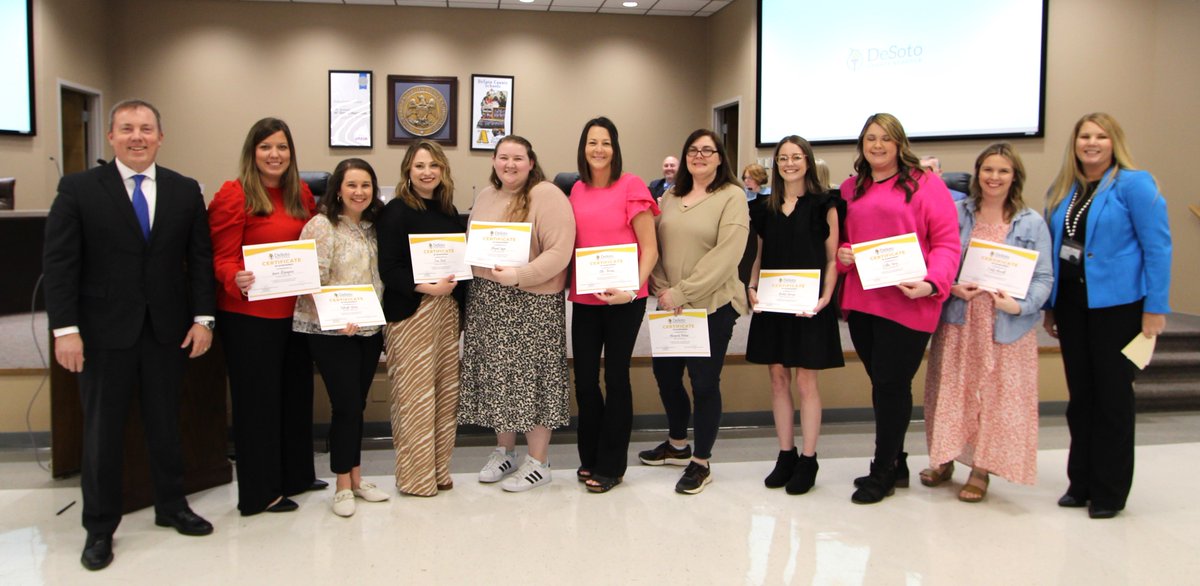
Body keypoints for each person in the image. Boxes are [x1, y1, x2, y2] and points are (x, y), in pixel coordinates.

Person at [43, 99, 216, 571]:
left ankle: (171, 505)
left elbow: (200, 260)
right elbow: (60, 266)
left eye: (146, 129)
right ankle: (99, 529)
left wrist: (205, 318)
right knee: (102, 434)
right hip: (101, 335)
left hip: (166, 331)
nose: (137, 137)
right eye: (127, 129)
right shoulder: (78, 189)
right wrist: (66, 330)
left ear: (161, 136)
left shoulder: (184, 191)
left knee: (166, 423)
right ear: (112, 137)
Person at [1043, 113, 1171, 519]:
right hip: (1072, 304)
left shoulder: (1135, 184)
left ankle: (1110, 491)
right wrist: (1050, 306)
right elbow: (1055, 250)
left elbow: (1159, 248)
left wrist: (1155, 309)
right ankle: (1080, 482)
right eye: (1085, 136)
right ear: (1075, 143)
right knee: (1081, 398)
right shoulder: (1064, 189)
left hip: (1119, 307)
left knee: (1113, 399)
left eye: (1101, 136)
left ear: (1114, 142)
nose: (1092, 143)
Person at [835, 113, 960, 504]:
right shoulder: (851, 188)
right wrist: (842, 256)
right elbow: (842, 244)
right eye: (870, 138)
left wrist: (932, 283)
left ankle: (883, 470)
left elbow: (947, 243)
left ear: (899, 143)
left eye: (885, 139)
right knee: (883, 386)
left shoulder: (927, 184)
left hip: (909, 302)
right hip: (863, 302)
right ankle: (897, 460)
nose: (877, 145)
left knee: (891, 385)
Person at [922, 143, 1053, 503]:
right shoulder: (957, 213)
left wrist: (1020, 306)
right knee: (949, 393)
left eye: (1003, 171)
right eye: (988, 170)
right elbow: (938, 258)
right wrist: (950, 288)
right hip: (959, 321)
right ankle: (944, 458)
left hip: (1005, 326)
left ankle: (981, 469)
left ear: (1015, 177)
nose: (994, 177)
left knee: (993, 398)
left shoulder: (1031, 223)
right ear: (977, 174)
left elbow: (1044, 278)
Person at [208, 117, 320, 516]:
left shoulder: (301, 194)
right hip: (249, 315)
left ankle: (295, 476)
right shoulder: (233, 195)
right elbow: (219, 257)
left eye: (282, 147)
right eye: (266, 147)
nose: (275, 155)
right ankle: (260, 492)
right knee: (258, 404)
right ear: (252, 153)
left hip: (294, 313)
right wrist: (232, 275)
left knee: (294, 396)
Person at [459, 135, 576, 492]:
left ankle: (539, 462)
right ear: (494, 160)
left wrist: (518, 277)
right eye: (503, 157)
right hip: (488, 301)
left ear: (530, 161)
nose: (510, 164)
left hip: (532, 301)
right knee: (499, 378)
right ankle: (505, 452)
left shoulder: (547, 195)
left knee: (533, 380)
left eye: (518, 158)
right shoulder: (486, 196)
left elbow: (559, 252)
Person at [640, 129, 749, 495]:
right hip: (671, 306)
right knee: (666, 376)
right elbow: (654, 244)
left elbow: (726, 255)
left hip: (713, 305)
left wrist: (682, 292)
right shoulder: (670, 196)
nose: (699, 156)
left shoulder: (732, 196)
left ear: (720, 158)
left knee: (703, 383)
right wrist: (660, 287)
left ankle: (701, 461)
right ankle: (676, 444)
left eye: (708, 150)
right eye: (693, 150)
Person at [292, 158, 391, 516]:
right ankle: (341, 485)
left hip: (368, 329)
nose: (359, 192)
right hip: (331, 331)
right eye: (352, 185)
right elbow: (308, 282)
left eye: (366, 185)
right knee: (346, 406)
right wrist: (335, 317)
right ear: (337, 188)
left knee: (357, 406)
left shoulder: (373, 226)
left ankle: (357, 477)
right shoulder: (321, 226)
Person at [746, 135, 844, 495]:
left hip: (810, 304)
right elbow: (758, 256)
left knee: (806, 382)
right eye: (783, 158)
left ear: (808, 160)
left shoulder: (825, 204)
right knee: (777, 378)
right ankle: (785, 454)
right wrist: (752, 287)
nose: (789, 163)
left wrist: (826, 297)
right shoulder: (762, 207)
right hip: (773, 304)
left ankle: (808, 458)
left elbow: (833, 258)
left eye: (796, 157)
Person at [568, 117, 660, 493]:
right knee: (586, 380)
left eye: (606, 142)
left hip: (625, 300)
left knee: (616, 378)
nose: (599, 149)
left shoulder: (632, 186)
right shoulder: (575, 189)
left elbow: (650, 249)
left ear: (615, 148)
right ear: (583, 148)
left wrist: (630, 287)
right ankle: (589, 457)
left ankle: (611, 465)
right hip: (586, 299)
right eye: (592, 142)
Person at [377, 140, 466, 497]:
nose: (427, 172)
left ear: (443, 170)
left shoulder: (448, 210)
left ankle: (439, 471)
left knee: (445, 396)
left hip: (446, 313)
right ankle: (416, 478)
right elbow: (389, 269)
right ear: (407, 172)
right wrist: (425, 287)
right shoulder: (395, 211)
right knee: (414, 398)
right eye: (419, 166)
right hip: (411, 313)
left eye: (434, 165)